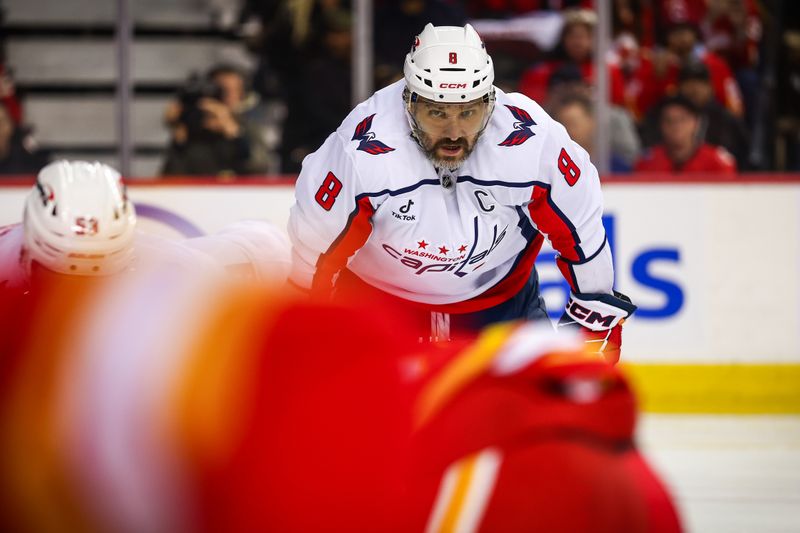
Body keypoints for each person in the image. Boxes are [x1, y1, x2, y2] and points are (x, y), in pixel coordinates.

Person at [288, 23, 636, 361]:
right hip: (377, 307)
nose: (454, 132)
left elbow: (581, 233)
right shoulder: (360, 152)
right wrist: (309, 332)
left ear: (489, 103)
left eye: (468, 112)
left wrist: (593, 317)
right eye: (437, 112)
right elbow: (315, 255)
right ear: (408, 102)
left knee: (532, 417)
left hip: (503, 304)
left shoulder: (533, 142)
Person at [161, 65, 270, 177]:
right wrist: (179, 135)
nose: (227, 97)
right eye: (221, 90)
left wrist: (234, 134)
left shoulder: (249, 129)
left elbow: (259, 170)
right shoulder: (193, 127)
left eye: (233, 91)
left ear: (241, 95)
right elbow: (171, 176)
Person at [635, 94, 737, 173]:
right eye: (669, 120)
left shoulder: (717, 162)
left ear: (696, 123)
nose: (676, 126)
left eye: (682, 119)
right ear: (661, 125)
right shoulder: (647, 162)